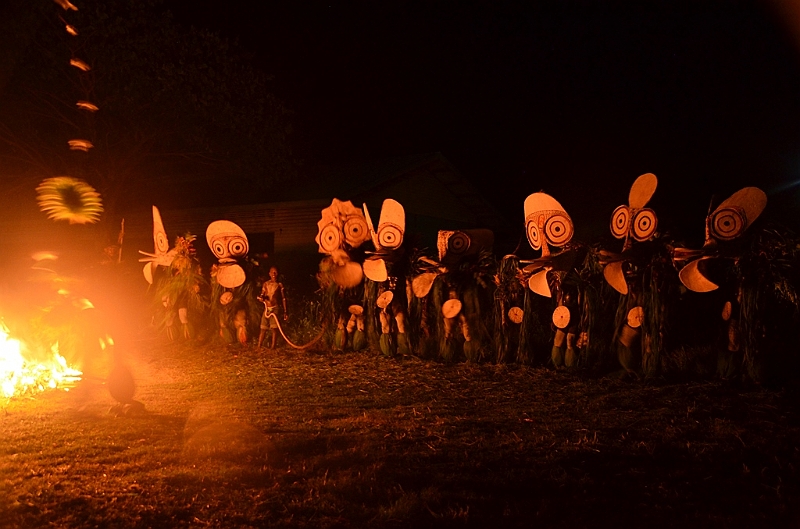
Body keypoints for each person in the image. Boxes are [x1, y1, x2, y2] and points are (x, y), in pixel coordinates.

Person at [257, 266, 288, 349]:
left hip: (275, 308)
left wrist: (285, 311)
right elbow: (262, 295)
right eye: (272, 272)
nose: (273, 274)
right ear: (269, 273)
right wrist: (261, 298)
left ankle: (273, 346)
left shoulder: (279, 285)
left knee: (274, 328)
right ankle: (259, 346)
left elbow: (283, 298)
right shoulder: (266, 284)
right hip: (267, 309)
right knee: (263, 328)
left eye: (275, 272)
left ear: (277, 273)